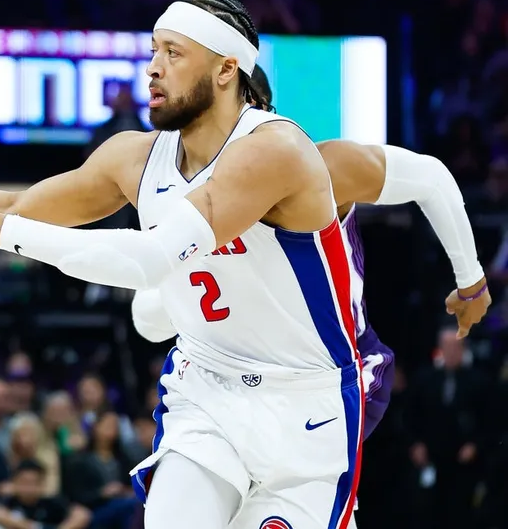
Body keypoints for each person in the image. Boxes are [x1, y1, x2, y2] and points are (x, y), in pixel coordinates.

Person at [0, 0, 490, 528]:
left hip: (309, 401)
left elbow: (427, 176)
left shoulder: (281, 152)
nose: (151, 67)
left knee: (157, 287)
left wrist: (471, 278)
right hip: (207, 389)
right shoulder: (133, 157)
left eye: (173, 53)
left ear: (226, 69)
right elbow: (18, 203)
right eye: (152, 50)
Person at [130, 63, 492, 528]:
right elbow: (147, 320)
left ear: (253, 111)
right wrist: (168, 290)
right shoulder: (179, 197)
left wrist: (472, 280)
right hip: (229, 380)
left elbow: (430, 178)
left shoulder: (321, 169)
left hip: (326, 374)